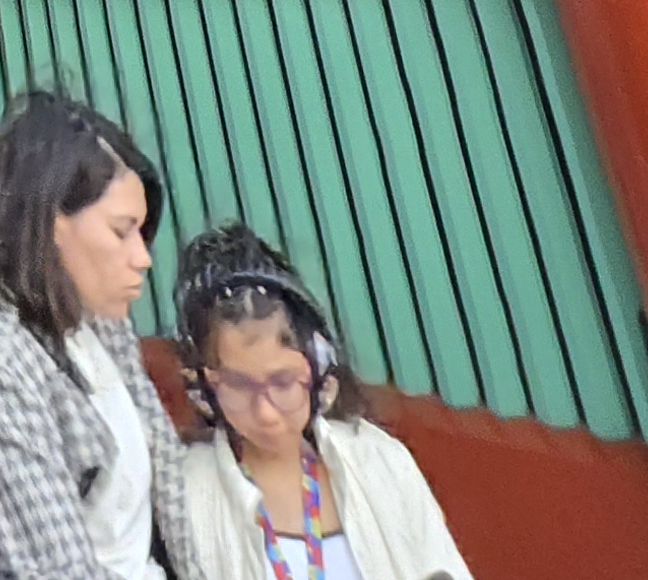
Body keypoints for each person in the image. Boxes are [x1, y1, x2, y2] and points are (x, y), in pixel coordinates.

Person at [0, 94, 208, 580]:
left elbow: (165, 464)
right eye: (122, 233)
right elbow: (58, 568)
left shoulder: (91, 306)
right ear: (52, 226)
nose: (143, 258)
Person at [171, 228, 469, 579]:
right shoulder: (184, 493)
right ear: (204, 386)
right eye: (237, 385)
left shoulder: (380, 463)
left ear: (319, 367)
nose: (265, 412)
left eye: (283, 382)